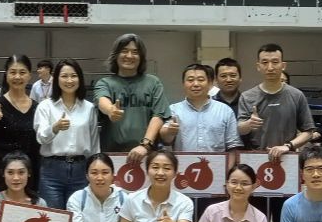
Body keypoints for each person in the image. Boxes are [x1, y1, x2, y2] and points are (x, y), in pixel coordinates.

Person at [93, 33, 169, 164]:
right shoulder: (105, 83)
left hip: (147, 156)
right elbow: (102, 100)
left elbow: (159, 115)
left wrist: (145, 145)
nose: (129, 56)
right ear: (116, 55)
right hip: (112, 157)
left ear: (141, 57)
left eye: (135, 52)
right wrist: (110, 110)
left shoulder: (153, 83)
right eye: (124, 51)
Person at [35, 58, 100, 211]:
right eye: (64, 76)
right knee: (54, 218)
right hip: (52, 170)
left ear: (80, 78)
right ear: (56, 79)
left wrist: (95, 170)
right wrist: (55, 128)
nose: (69, 80)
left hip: (81, 169)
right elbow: (41, 138)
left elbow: (94, 144)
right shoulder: (45, 106)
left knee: (79, 216)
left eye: (73, 76)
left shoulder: (89, 108)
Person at [0, 54, 40, 200]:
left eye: (22, 72)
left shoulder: (37, 107)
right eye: (13, 72)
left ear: (29, 75)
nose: (17, 77)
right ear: (6, 75)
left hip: (26, 173)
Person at [237, 43, 315, 158]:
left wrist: (288, 146)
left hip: (288, 156)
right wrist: (249, 124)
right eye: (265, 62)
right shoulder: (247, 96)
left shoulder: (297, 95)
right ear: (258, 66)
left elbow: (308, 132)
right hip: (256, 157)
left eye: (275, 62)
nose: (270, 67)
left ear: (283, 65)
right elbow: (240, 129)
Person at [159, 63, 242, 156]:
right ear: (183, 84)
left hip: (218, 164)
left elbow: (233, 146)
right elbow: (165, 140)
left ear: (210, 83)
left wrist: (229, 165)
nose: (196, 84)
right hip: (182, 164)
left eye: (201, 80)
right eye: (190, 80)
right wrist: (169, 132)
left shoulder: (225, 110)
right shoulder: (173, 110)